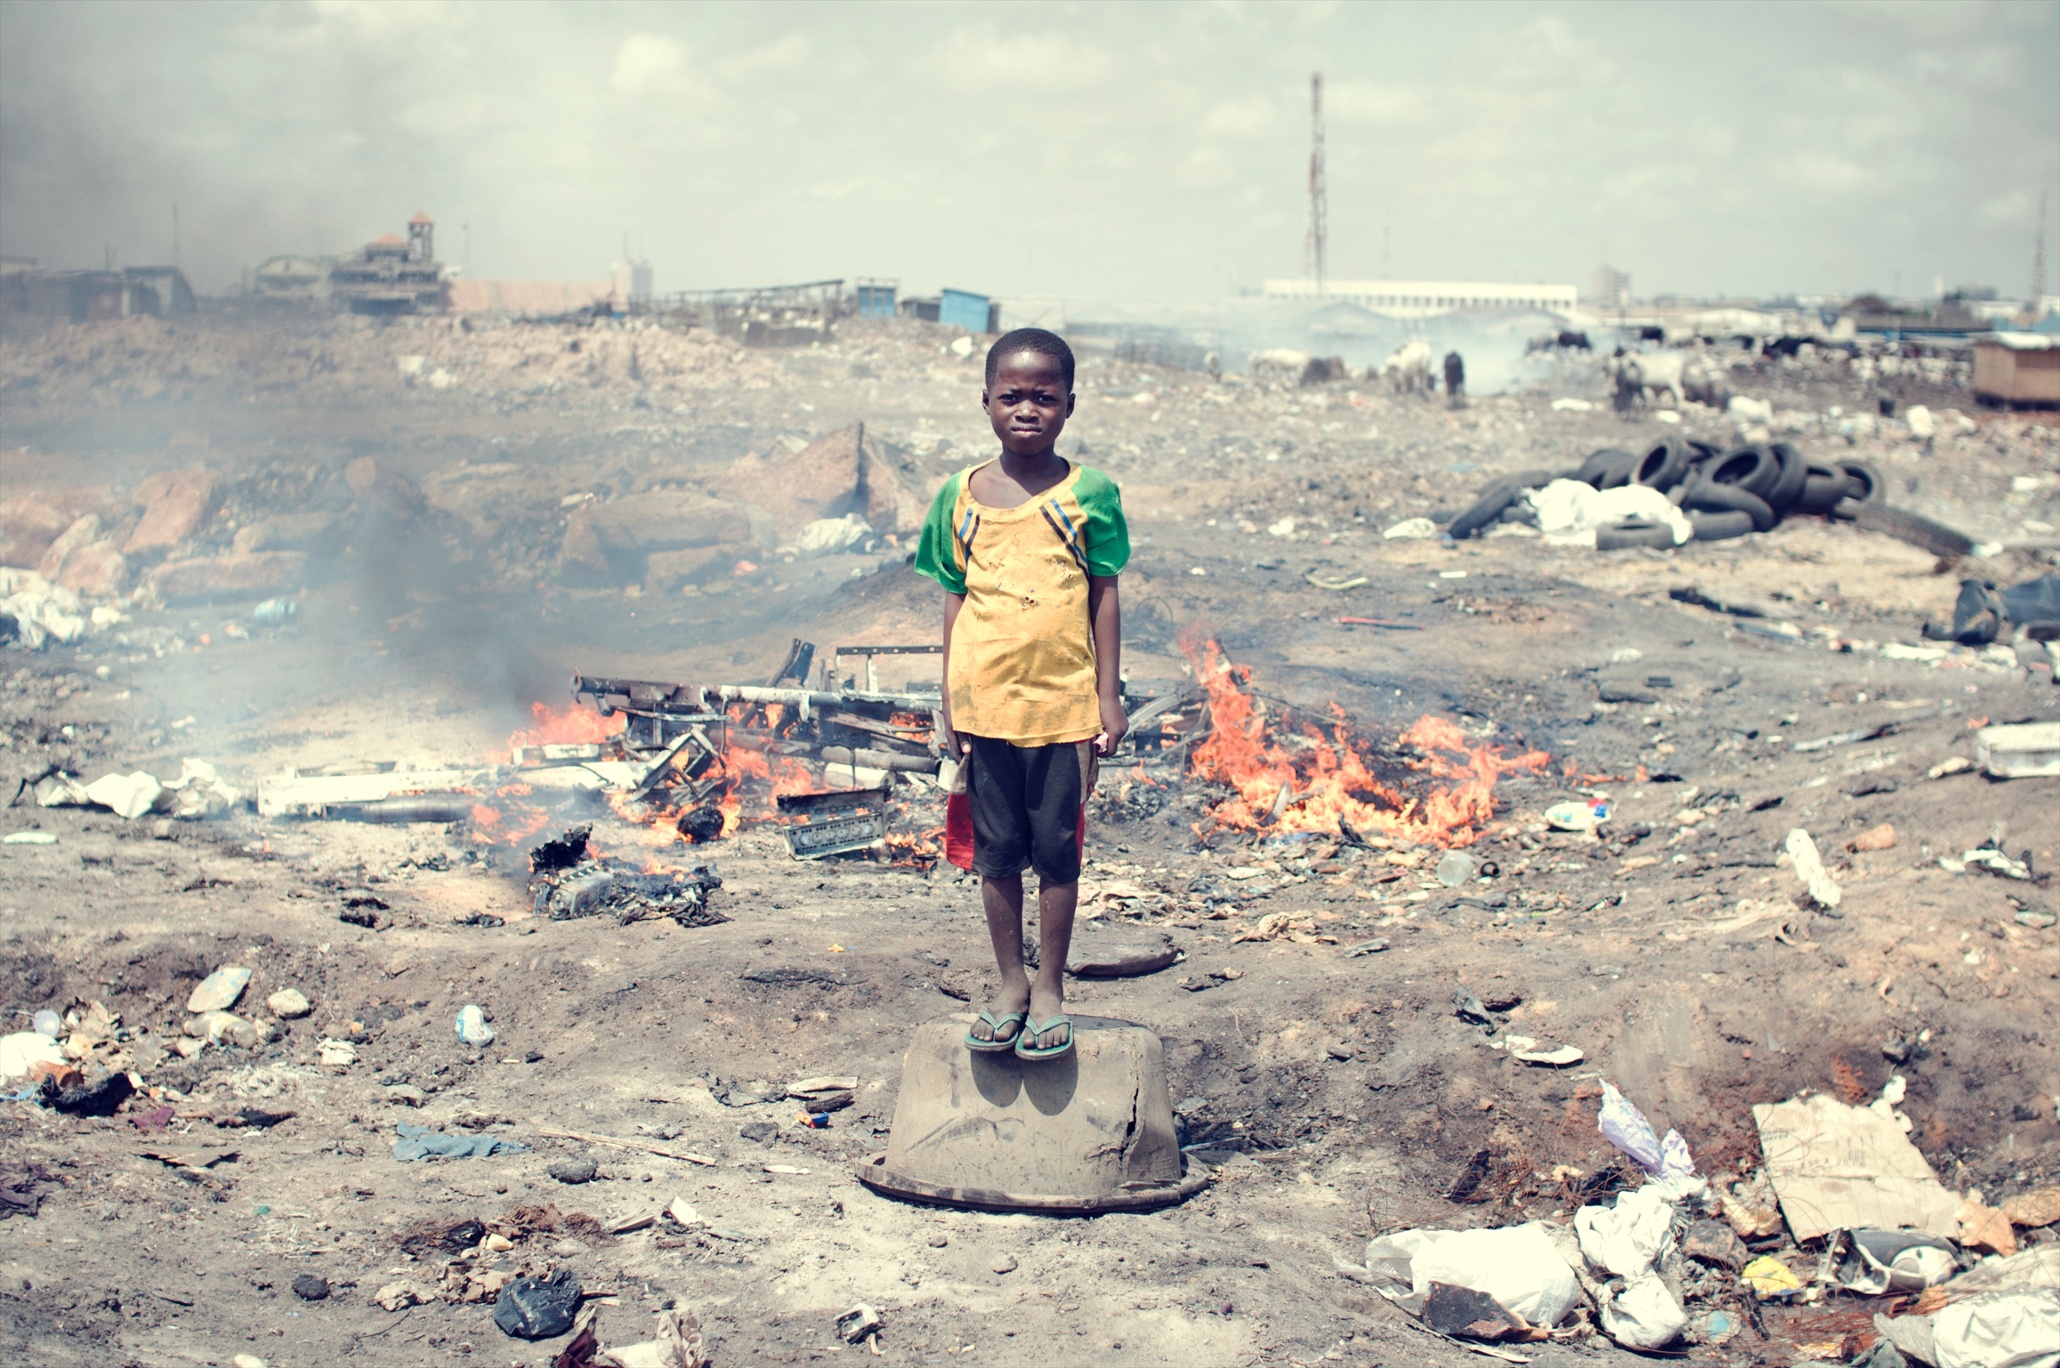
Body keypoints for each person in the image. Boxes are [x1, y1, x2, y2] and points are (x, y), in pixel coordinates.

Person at [914, 328, 1129, 1062]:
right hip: (984, 709)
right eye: (1012, 397)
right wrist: (950, 701)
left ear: (1070, 405)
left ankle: (1051, 991)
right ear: (985, 403)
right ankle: (1009, 983)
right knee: (996, 853)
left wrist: (1108, 696)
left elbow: (1104, 593)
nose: (1028, 409)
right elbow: (953, 598)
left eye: (1045, 397)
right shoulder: (959, 496)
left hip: (1062, 707)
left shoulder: (1089, 494)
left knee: (1058, 853)